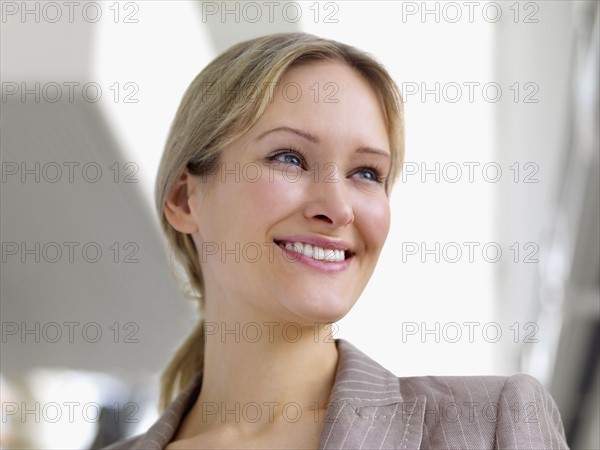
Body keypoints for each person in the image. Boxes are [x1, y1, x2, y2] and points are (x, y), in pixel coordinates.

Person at [104, 33, 568, 449]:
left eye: (366, 173)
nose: (338, 207)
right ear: (185, 199)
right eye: (289, 158)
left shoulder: (489, 425)